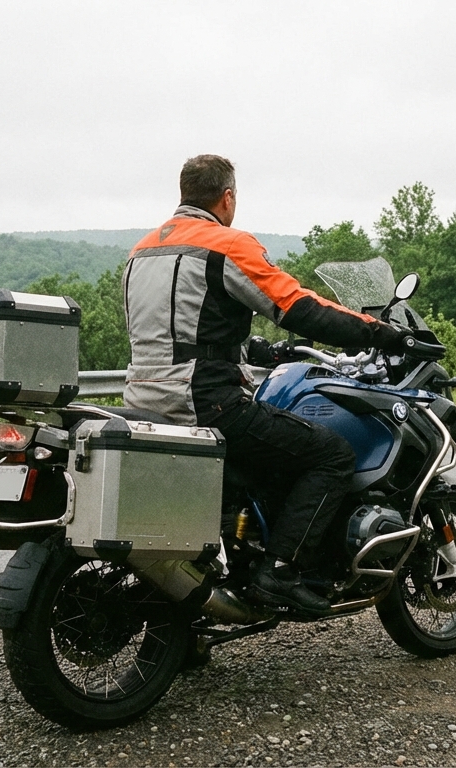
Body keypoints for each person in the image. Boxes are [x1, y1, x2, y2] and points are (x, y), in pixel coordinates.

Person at [122, 154, 410, 612]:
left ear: (184, 193)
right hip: (207, 402)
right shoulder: (227, 244)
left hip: (143, 402)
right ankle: (280, 571)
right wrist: (379, 332)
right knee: (332, 454)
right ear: (227, 197)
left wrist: (250, 350)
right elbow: (298, 307)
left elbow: (186, 328)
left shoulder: (140, 250)